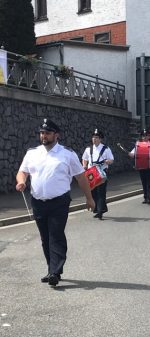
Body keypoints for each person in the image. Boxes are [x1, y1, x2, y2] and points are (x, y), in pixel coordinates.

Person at [16, 119, 95, 287]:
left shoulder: (67, 154)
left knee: (56, 234)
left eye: (48, 133)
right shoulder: (32, 153)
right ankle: (51, 268)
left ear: (56, 135)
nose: (43, 136)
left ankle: (55, 272)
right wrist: (21, 181)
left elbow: (80, 177)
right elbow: (22, 171)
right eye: (42, 133)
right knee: (45, 238)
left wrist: (89, 198)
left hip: (59, 202)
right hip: (38, 202)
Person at [82, 129, 114, 220]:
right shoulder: (88, 149)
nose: (94, 139)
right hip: (91, 173)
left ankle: (100, 211)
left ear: (100, 139)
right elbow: (84, 158)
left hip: (101, 172)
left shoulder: (106, 149)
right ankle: (97, 209)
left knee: (101, 192)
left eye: (96, 137)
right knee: (93, 192)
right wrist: (84, 165)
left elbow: (111, 159)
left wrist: (108, 161)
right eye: (93, 137)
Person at [128, 129, 150, 204]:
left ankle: (149, 198)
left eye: (146, 135)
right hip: (141, 167)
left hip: (149, 166)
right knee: (144, 182)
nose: (144, 137)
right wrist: (130, 154)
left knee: (149, 183)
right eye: (143, 136)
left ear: (149, 136)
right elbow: (134, 154)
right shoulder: (138, 145)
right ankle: (145, 197)